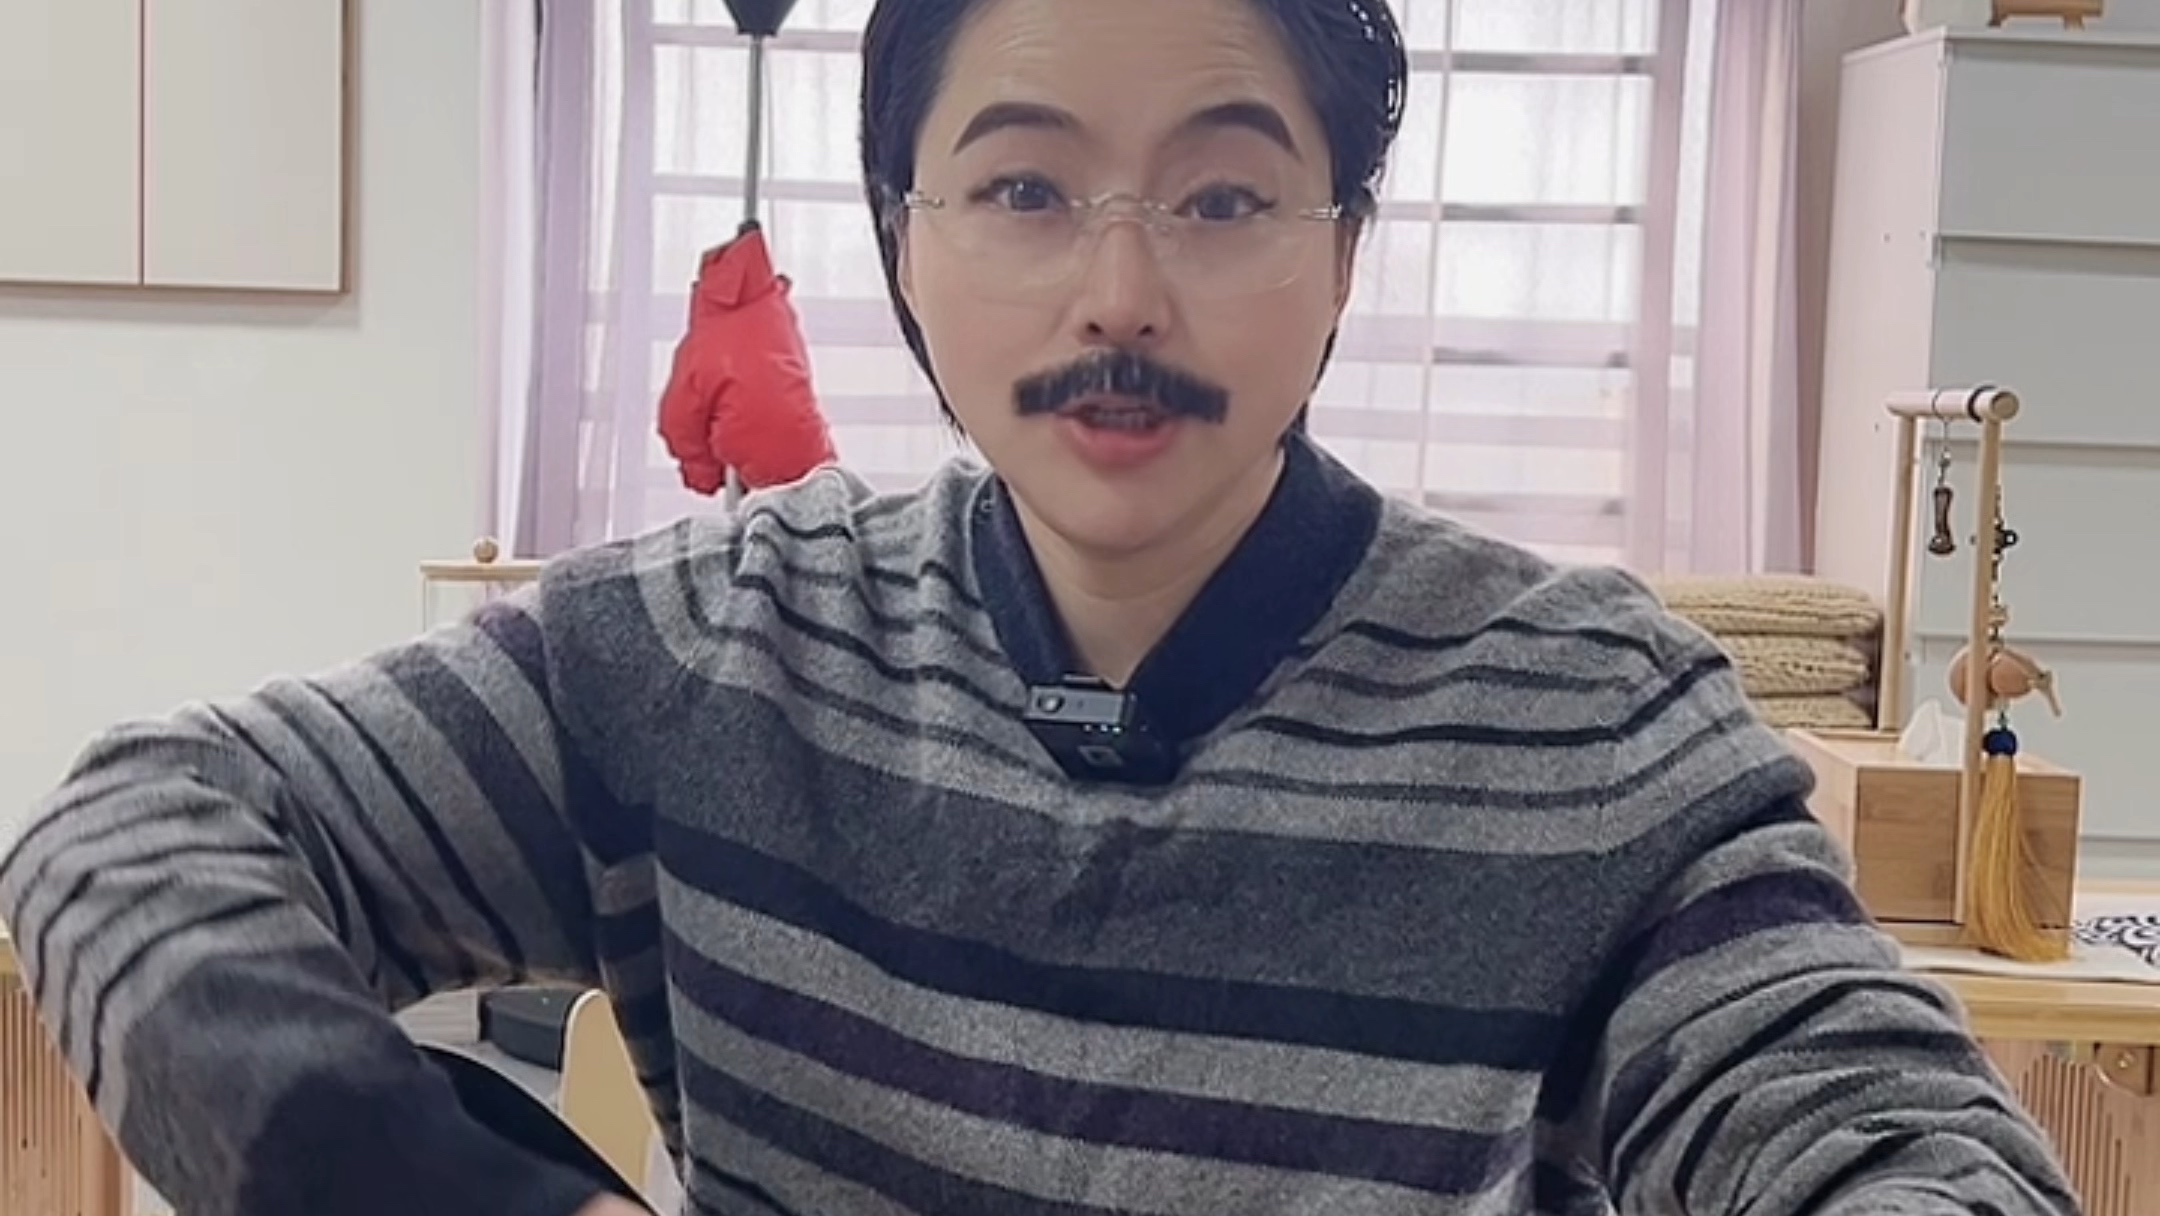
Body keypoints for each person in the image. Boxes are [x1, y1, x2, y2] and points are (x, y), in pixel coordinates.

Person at [0, 0, 2083, 1213]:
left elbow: (1904, 1149)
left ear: (1343, 253)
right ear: (904, 240)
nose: (1120, 292)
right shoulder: (700, 654)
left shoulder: (1598, 733)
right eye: (1019, 187)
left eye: (1226, 194)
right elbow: (123, 833)